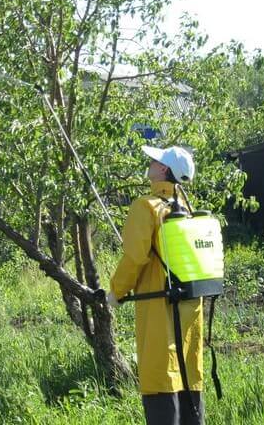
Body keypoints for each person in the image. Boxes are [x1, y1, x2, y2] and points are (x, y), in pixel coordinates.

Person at [108, 145, 204, 425]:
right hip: (190, 311)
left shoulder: (146, 207)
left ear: (163, 170)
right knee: (188, 376)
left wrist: (116, 292)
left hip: (159, 311)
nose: (150, 162)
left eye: (155, 160)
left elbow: (134, 257)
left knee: (160, 376)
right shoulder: (188, 211)